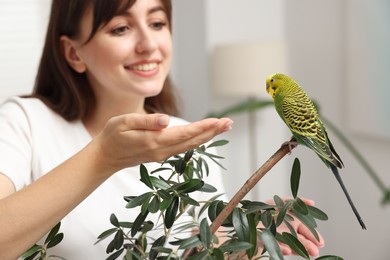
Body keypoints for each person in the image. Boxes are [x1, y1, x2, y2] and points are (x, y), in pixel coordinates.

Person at [0, 0, 323, 259]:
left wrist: (247, 233)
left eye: (157, 23)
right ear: (73, 53)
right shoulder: (24, 122)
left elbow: (193, 249)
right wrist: (103, 158)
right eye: (121, 27)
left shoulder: (187, 137)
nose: (148, 43)